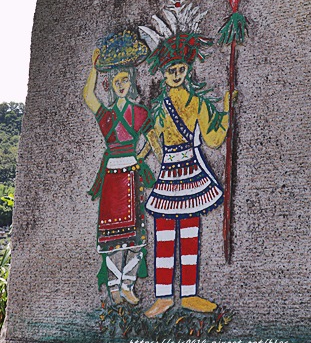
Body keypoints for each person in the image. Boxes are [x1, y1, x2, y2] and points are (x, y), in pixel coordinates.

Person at [142, 31, 234, 318]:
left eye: (181, 69)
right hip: (169, 171)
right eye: (171, 70)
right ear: (163, 73)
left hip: (192, 170)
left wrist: (226, 113)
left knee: (191, 232)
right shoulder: (159, 107)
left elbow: (214, 139)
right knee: (164, 233)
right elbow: (152, 141)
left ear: (188, 70)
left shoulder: (197, 103)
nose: (176, 75)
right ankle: (163, 297)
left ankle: (190, 294)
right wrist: (139, 157)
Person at [84, 31, 155, 305]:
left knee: (135, 235)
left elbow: (152, 141)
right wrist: (94, 68)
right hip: (112, 177)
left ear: (131, 81)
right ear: (111, 85)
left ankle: (128, 285)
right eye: (117, 81)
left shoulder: (140, 113)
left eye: (125, 79)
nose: (122, 84)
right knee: (112, 235)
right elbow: (88, 96)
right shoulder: (107, 115)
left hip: (132, 175)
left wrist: (139, 157)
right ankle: (114, 286)